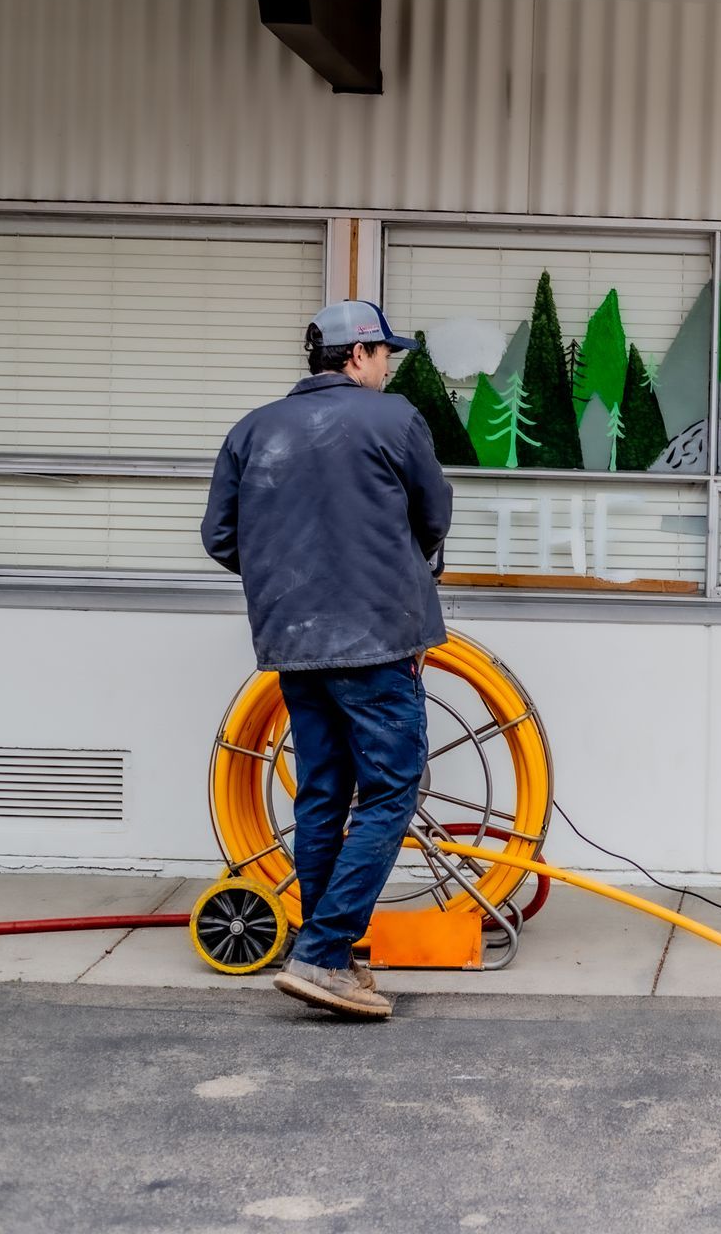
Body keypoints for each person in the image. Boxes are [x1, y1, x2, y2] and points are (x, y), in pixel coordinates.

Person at [202, 301, 452, 1020]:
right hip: (377, 641)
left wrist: (287, 577)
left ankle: (326, 959)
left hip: (294, 644)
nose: (387, 367)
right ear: (358, 354)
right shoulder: (392, 420)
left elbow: (221, 536)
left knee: (321, 794)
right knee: (389, 791)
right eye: (383, 355)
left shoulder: (253, 430)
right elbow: (434, 514)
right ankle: (324, 951)